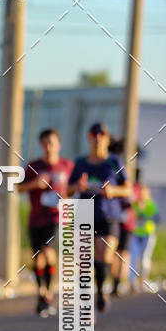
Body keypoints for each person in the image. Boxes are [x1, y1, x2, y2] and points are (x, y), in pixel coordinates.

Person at [67, 122, 132, 313]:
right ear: (89, 138)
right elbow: (67, 190)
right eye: (93, 134)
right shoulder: (80, 162)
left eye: (101, 134)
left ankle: (102, 292)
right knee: (84, 261)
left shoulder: (114, 162)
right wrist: (77, 187)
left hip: (108, 215)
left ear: (107, 138)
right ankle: (86, 302)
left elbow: (128, 189)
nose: (97, 138)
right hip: (84, 214)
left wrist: (113, 191)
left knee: (104, 255)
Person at [18, 128, 72, 317]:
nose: (49, 147)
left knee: (47, 251)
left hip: (55, 217)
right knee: (38, 257)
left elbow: (74, 189)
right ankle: (42, 294)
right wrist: (35, 184)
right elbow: (18, 188)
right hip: (35, 219)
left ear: (59, 145)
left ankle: (47, 293)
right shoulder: (34, 166)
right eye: (45, 143)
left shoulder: (67, 166)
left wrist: (68, 196)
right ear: (41, 145)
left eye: (52, 143)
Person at [107, 136, 135, 296]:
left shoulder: (117, 168)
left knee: (120, 253)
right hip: (118, 219)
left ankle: (116, 283)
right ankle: (115, 282)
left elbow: (129, 196)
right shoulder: (116, 169)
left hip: (123, 220)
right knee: (118, 253)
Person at [129, 183, 159, 291]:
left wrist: (144, 213)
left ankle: (143, 281)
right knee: (133, 258)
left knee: (144, 259)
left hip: (147, 234)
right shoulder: (134, 204)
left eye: (143, 193)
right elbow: (130, 216)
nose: (141, 195)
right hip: (135, 234)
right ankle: (132, 283)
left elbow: (156, 218)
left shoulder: (151, 204)